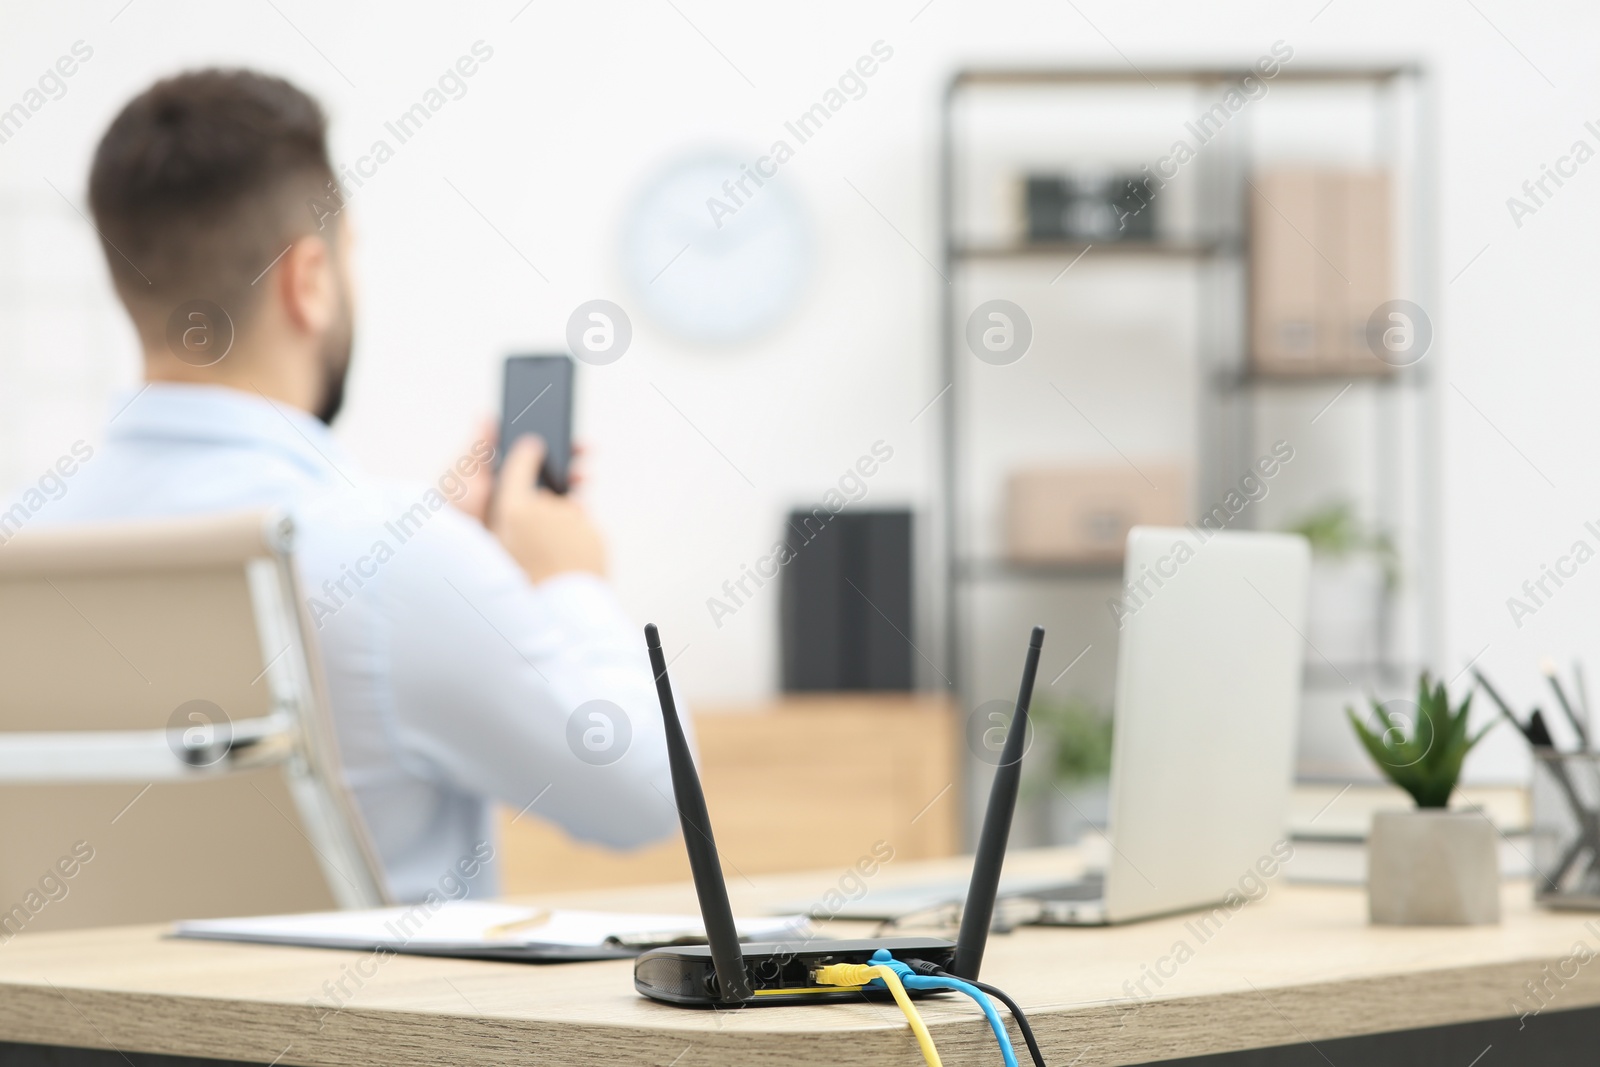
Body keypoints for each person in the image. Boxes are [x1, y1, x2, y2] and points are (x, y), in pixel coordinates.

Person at [31, 68, 681, 901]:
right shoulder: (389, 557)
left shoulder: (29, 543)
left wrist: (450, 562)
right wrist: (565, 578)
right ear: (310, 280)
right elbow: (646, 796)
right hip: (360, 1034)